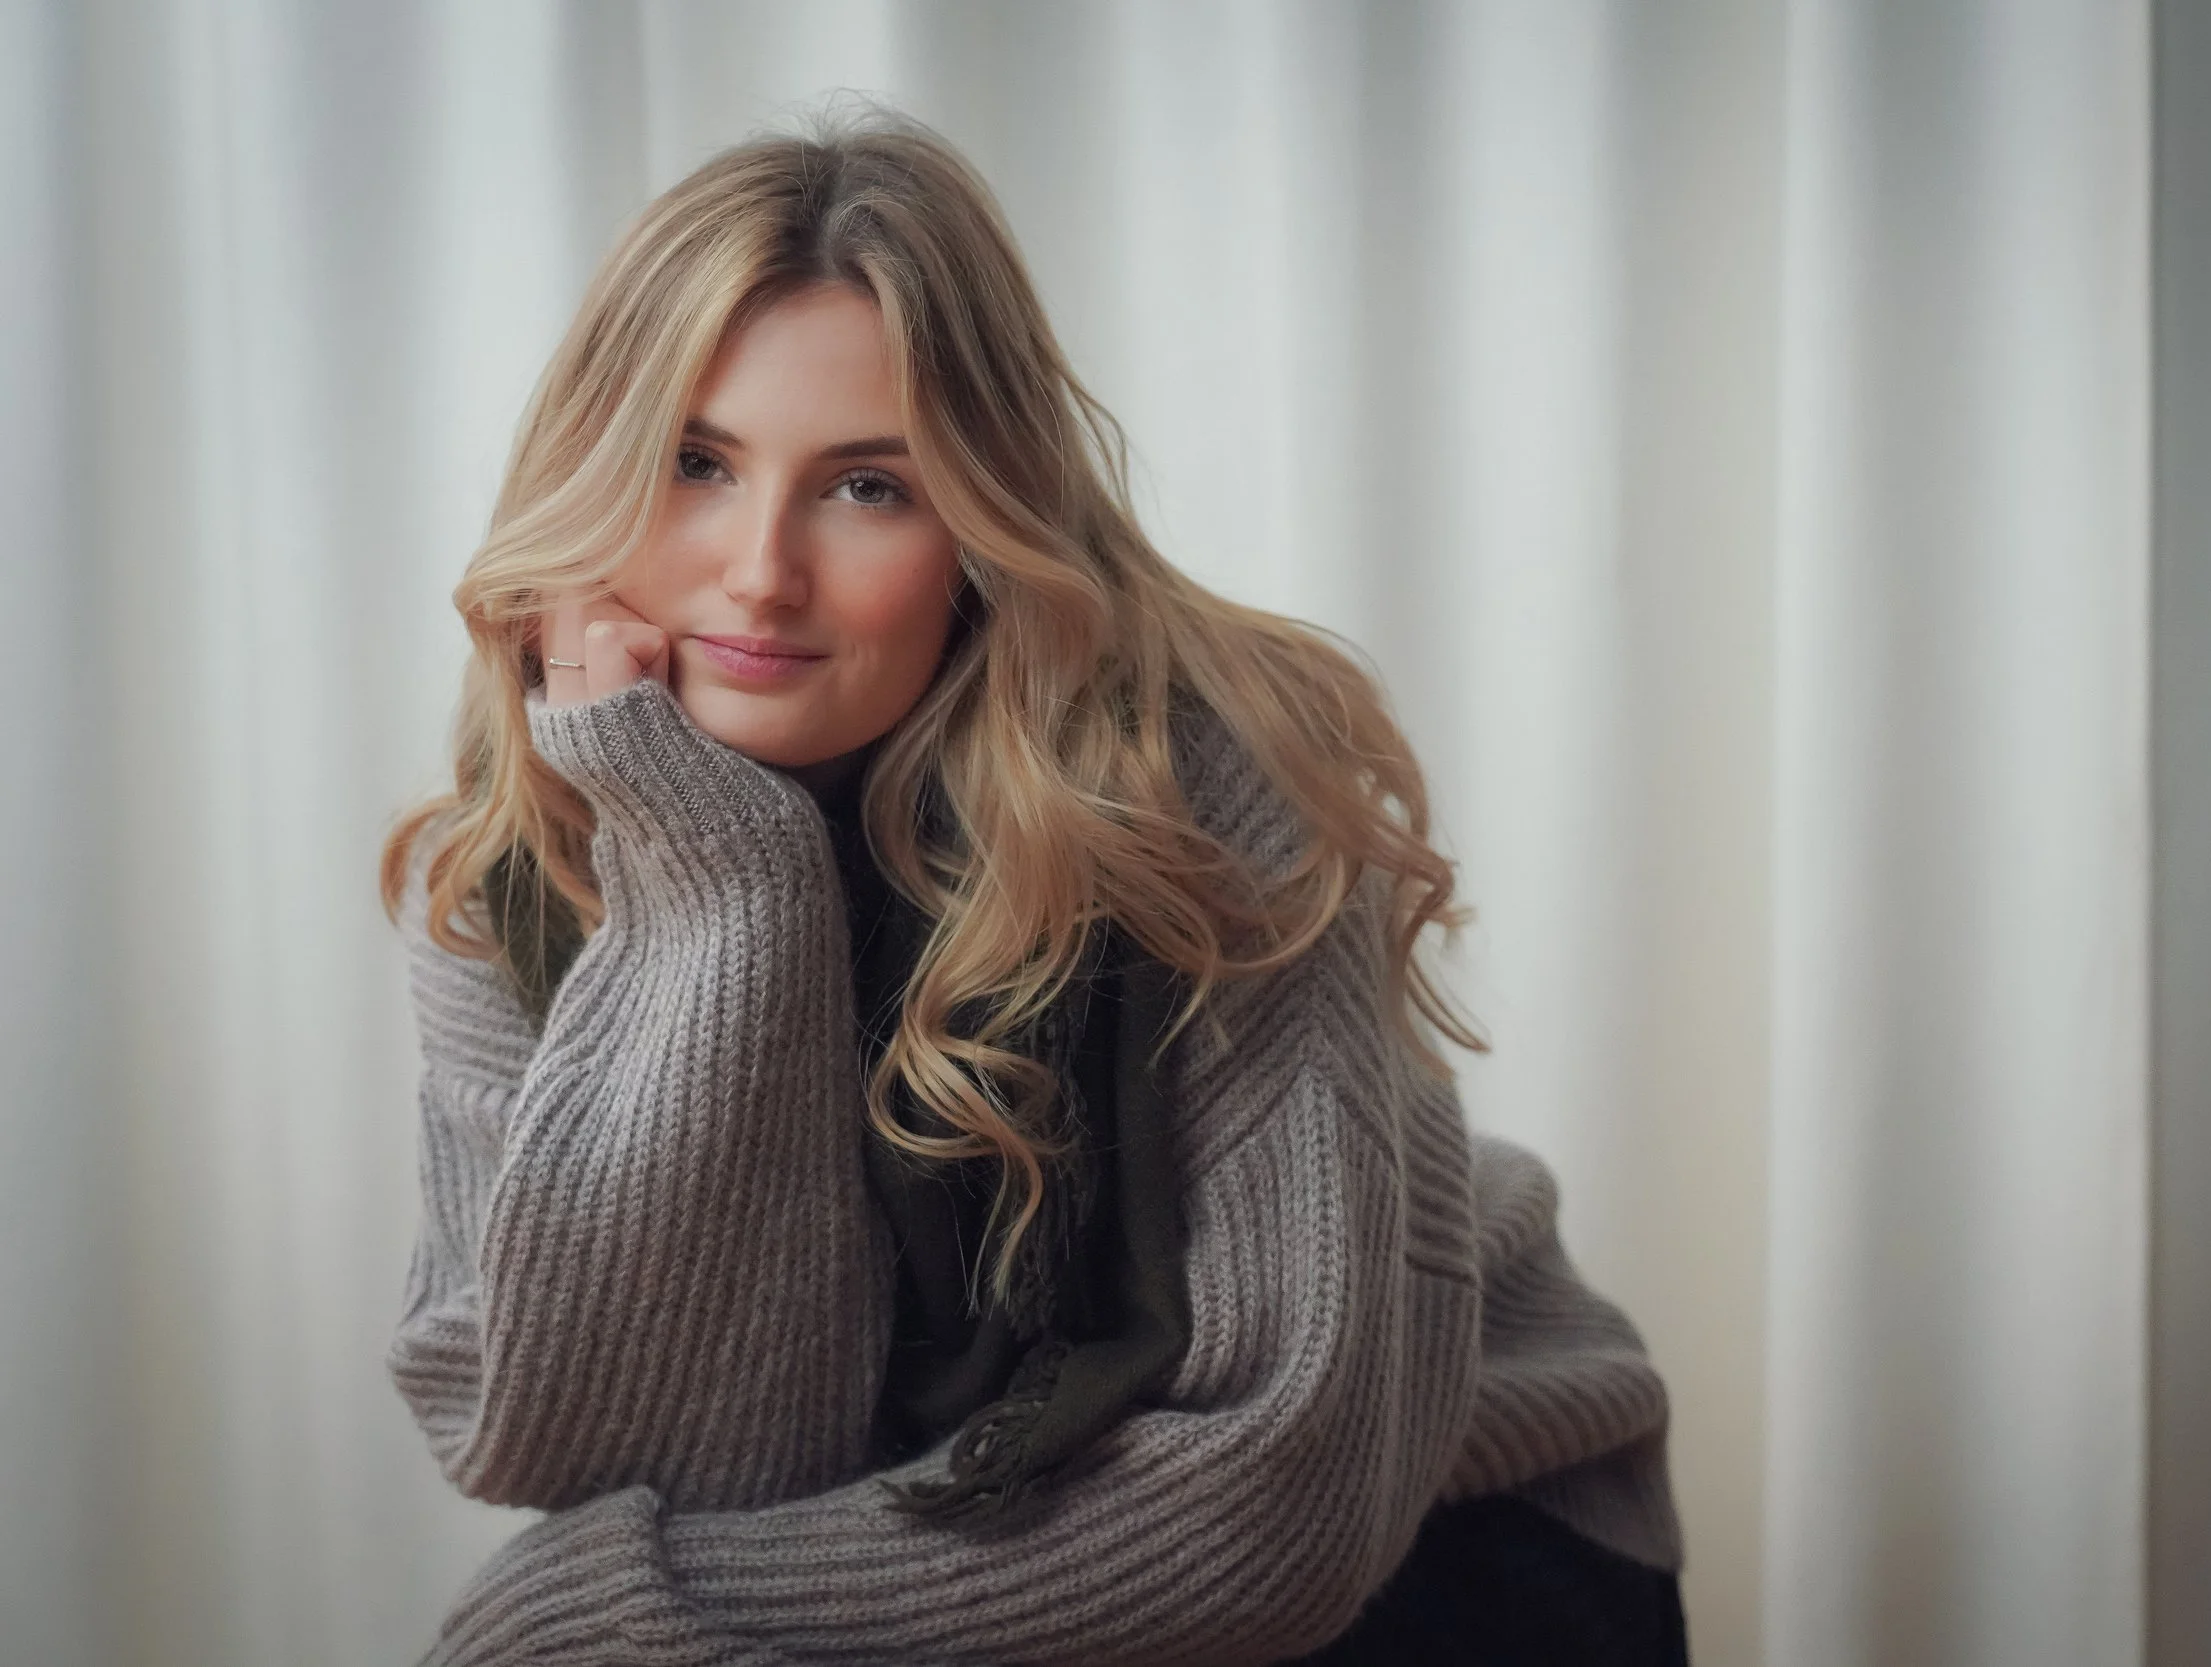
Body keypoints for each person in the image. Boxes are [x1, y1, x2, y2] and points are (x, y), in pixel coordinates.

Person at [377, 101, 1688, 1667]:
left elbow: (1280, 1511)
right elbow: (597, 1451)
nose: (759, 570)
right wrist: (718, 890)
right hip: (935, 1542)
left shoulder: (1196, 798)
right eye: (695, 463)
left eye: (869, 485)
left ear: (982, 525)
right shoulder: (523, 855)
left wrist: (656, 1618)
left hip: (1435, 1546)